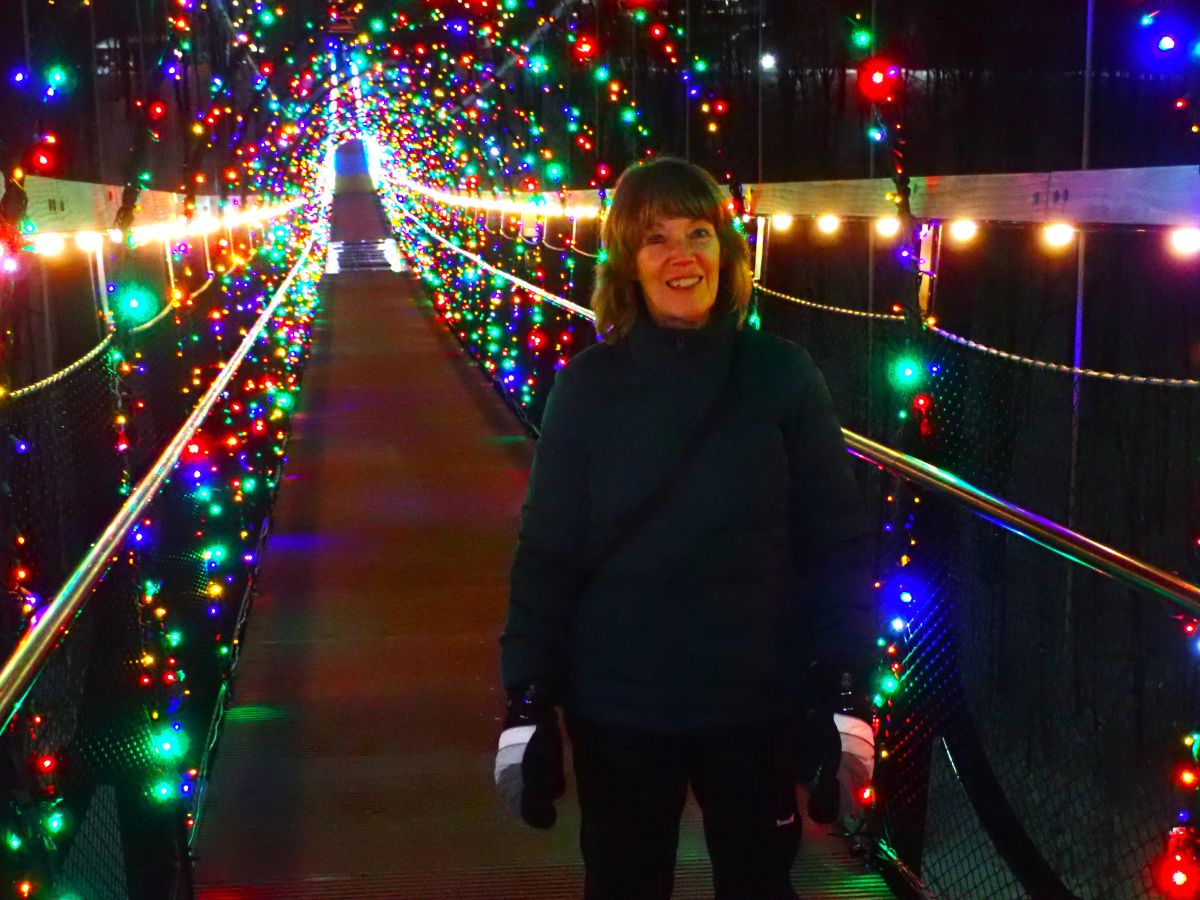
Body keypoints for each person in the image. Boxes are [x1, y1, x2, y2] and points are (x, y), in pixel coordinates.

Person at [494, 156, 877, 899]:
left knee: (761, 884)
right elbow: (549, 553)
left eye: (699, 233)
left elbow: (836, 543)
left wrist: (843, 688)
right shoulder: (586, 390)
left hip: (753, 701)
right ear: (628, 266)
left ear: (727, 252)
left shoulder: (782, 376)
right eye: (654, 238)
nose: (681, 256)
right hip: (621, 706)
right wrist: (529, 703)